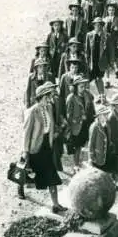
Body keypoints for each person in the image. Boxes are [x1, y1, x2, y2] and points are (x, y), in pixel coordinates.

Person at [21, 82, 67, 213]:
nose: (50, 98)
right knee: (32, 176)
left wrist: (54, 135)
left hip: (47, 145)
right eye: (48, 96)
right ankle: (21, 186)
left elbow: (51, 126)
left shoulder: (49, 108)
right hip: (36, 148)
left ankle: (56, 205)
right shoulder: (31, 112)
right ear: (41, 97)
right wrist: (25, 151)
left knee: (52, 175)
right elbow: (26, 133)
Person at [88, 106, 118, 190]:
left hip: (107, 152)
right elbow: (91, 143)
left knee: (110, 170)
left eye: (107, 114)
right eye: (105, 115)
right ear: (99, 116)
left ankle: (112, 185)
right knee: (99, 174)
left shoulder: (107, 125)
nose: (107, 116)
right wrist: (92, 157)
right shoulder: (94, 127)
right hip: (99, 155)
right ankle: (101, 189)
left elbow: (108, 137)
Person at [85, 17, 114, 104]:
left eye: (99, 25)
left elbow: (110, 50)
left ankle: (102, 97)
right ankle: (87, 98)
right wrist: (86, 61)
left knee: (99, 78)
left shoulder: (106, 36)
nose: (97, 27)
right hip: (92, 61)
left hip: (101, 61)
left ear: (102, 26)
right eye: (96, 25)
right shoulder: (89, 35)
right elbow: (87, 50)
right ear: (94, 26)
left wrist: (110, 62)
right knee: (87, 79)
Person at [65, 76, 90, 172]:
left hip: (84, 125)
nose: (83, 89)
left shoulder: (85, 95)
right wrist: (79, 118)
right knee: (76, 146)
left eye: (84, 86)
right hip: (76, 126)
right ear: (76, 87)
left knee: (81, 145)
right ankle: (75, 165)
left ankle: (78, 162)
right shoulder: (71, 98)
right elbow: (68, 115)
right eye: (81, 87)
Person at [103, 2, 118, 84]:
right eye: (109, 10)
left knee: (115, 58)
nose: (111, 11)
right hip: (107, 43)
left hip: (114, 42)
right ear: (107, 11)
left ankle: (117, 69)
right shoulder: (104, 20)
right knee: (107, 60)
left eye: (112, 10)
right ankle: (107, 80)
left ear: (114, 11)